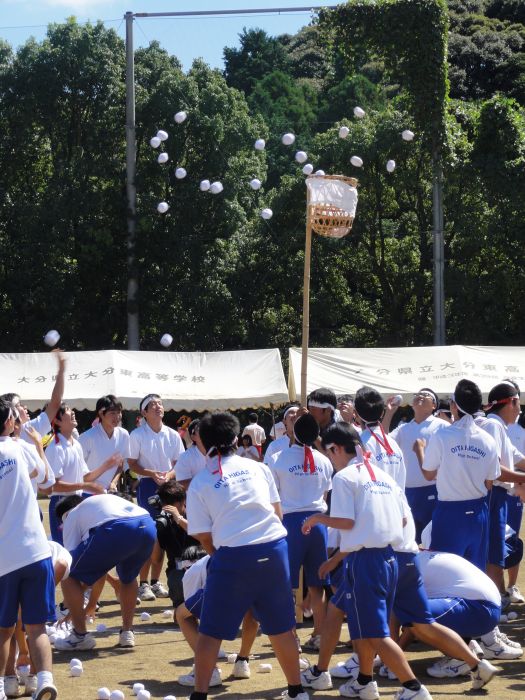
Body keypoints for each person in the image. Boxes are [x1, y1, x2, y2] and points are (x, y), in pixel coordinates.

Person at [300, 421, 432, 700]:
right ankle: (364, 680)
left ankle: (413, 688)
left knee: (375, 631)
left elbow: (347, 522)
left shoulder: (345, 477)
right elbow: (402, 519)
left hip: (365, 562)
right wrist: (338, 559)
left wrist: (318, 518)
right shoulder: (383, 476)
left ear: (335, 448)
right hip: (388, 558)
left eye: (328, 451)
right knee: (363, 625)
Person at [186, 411, 307, 700]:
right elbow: (277, 513)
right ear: (235, 438)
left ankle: (199, 695)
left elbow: (203, 536)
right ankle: (297, 690)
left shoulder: (201, 481)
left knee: (211, 631)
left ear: (204, 442)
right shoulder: (258, 467)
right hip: (275, 549)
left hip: (233, 555)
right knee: (282, 627)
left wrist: (224, 558)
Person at [0, 400, 57, 700]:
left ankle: (2, 684)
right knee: (37, 627)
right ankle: (45, 679)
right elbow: (48, 481)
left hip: (3, 558)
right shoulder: (19, 447)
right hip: (34, 550)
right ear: (10, 423)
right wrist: (38, 447)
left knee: (3, 629)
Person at [53, 493, 156, 651]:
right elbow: (98, 569)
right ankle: (127, 632)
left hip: (114, 527)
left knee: (68, 574)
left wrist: (73, 609)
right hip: (147, 525)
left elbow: (70, 569)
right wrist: (91, 603)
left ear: (64, 516)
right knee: (128, 579)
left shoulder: (72, 516)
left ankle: (80, 636)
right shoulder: (95, 507)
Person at [421, 380, 500, 570]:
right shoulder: (487, 440)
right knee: (475, 571)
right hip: (478, 513)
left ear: (454, 406)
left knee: (446, 570)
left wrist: (420, 451)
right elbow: (490, 483)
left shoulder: (442, 436)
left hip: (450, 513)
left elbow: (428, 474)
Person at [270, 414, 333, 650]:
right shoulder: (325, 460)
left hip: (291, 522)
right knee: (318, 583)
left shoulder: (278, 459)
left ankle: (291, 635)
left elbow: (273, 496)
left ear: (294, 433)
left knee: (287, 583)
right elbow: (326, 494)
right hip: (318, 523)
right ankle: (319, 633)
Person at [128, 393, 185, 601]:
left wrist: (168, 475)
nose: (158, 407)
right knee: (150, 535)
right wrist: (152, 474)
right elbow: (132, 463)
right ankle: (143, 584)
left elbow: (180, 461)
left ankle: (155, 582)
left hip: (170, 485)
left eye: (160, 403)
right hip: (148, 486)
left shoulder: (172, 434)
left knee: (166, 534)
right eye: (152, 405)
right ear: (144, 412)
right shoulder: (137, 435)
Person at [176, 547, 259, 686]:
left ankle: (210, 671)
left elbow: (198, 617)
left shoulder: (190, 573)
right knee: (251, 608)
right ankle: (242, 662)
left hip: (225, 577)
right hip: (256, 562)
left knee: (181, 614)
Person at [45, 404, 118, 544]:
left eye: (71, 409)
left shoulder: (76, 445)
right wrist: (86, 485)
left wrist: (105, 466)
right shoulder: (55, 448)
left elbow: (85, 476)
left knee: (76, 550)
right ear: (57, 421)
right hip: (61, 504)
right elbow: (54, 486)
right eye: (67, 411)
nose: (72, 412)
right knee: (64, 552)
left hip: (77, 502)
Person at [384, 387, 448, 541]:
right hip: (407, 492)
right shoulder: (404, 428)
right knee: (408, 539)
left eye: (425, 395)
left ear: (434, 405)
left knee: (431, 539)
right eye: (417, 395)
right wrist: (390, 412)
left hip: (433, 489)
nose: (420, 396)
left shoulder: (442, 426)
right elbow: (384, 440)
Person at [152, 480, 200, 613]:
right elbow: (156, 559)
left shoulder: (197, 513)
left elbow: (203, 536)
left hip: (201, 566)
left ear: (183, 500)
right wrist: (157, 532)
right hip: (178, 570)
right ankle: (180, 605)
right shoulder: (164, 521)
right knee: (180, 618)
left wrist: (179, 518)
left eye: (173, 505)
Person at [2, 350, 66, 446]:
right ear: (10, 412)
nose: (25, 407)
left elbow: (55, 403)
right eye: (19, 405)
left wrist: (61, 371)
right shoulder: (27, 430)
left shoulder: (30, 428)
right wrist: (61, 370)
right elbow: (55, 403)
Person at [354, 387, 406, 489]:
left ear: (355, 413)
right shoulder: (393, 443)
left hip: (373, 503)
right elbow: (401, 480)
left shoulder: (358, 444)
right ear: (382, 413)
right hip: (396, 502)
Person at [78, 395, 130, 494]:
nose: (117, 416)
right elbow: (79, 475)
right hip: (87, 493)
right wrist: (106, 466)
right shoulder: (86, 437)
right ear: (101, 414)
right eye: (112, 413)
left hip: (109, 492)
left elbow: (121, 464)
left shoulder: (124, 435)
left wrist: (113, 483)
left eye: (119, 412)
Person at [175, 419, 206, 490]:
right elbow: (181, 484)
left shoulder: (219, 452)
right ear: (193, 437)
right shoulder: (185, 458)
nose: (206, 432)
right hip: (195, 499)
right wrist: (207, 482)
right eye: (201, 430)